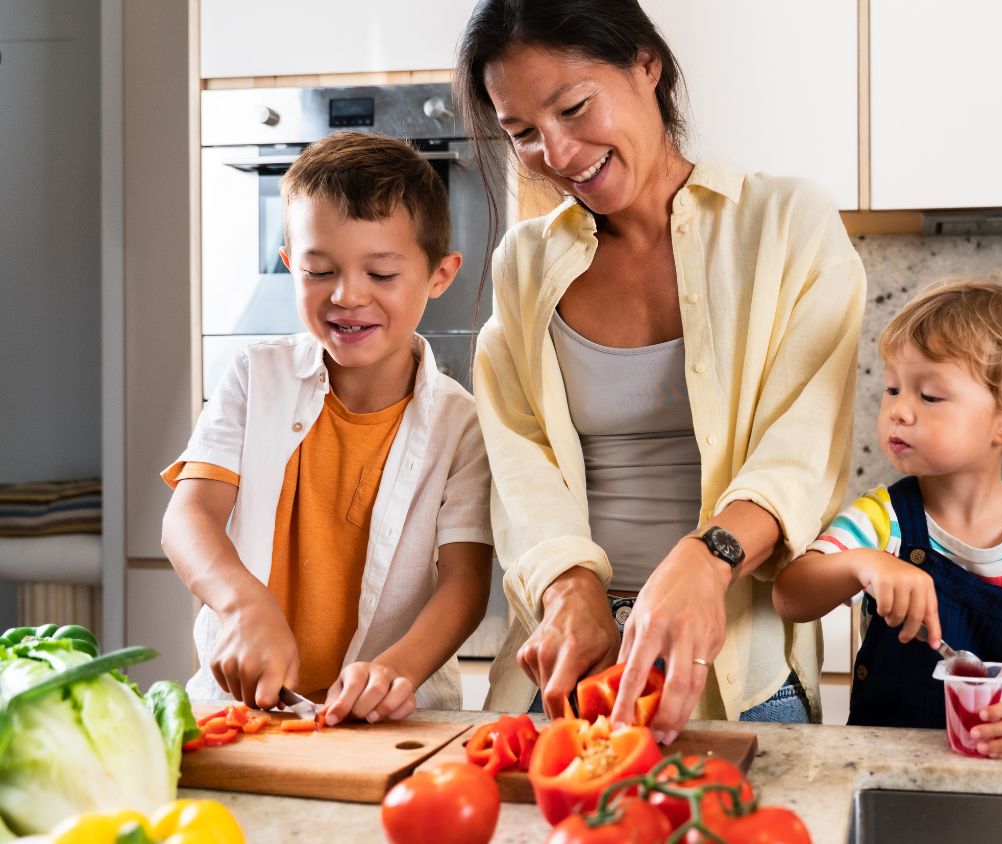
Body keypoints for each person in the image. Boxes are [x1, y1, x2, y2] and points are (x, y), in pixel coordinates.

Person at [455, 0, 866, 741]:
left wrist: (708, 561)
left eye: (573, 107)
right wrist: (569, 585)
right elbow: (522, 462)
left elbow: (802, 451)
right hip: (563, 665)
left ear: (646, 64)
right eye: (521, 133)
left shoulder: (787, 224)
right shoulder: (524, 264)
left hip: (736, 669)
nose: (556, 151)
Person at [160, 132, 494, 724]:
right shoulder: (253, 376)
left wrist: (399, 669)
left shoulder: (461, 424)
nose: (347, 296)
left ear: (440, 275)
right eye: (319, 271)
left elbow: (465, 584)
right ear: (290, 264)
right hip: (239, 707)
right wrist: (241, 604)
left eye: (382, 274)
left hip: (390, 714)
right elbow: (190, 516)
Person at [772, 277, 1002, 758]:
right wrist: (862, 563)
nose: (898, 411)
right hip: (882, 766)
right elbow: (791, 596)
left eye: (929, 396)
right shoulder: (882, 518)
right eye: (891, 389)